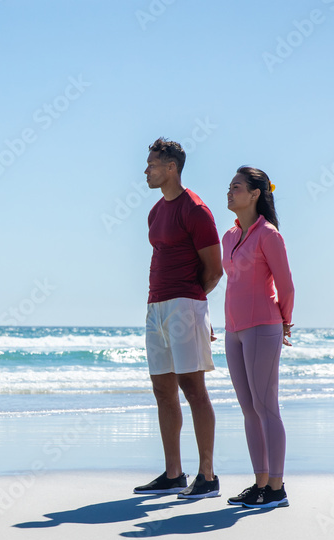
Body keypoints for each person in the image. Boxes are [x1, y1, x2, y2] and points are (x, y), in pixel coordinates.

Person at [133, 138, 223, 499]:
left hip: (185, 304)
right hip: (156, 307)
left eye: (152, 164)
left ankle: (207, 476)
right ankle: (173, 475)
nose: (146, 170)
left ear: (171, 168)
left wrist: (195, 308)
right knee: (162, 389)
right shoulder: (155, 212)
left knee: (192, 387)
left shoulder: (196, 209)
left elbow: (214, 271)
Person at [221, 167, 294, 509]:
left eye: (236, 187)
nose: (229, 192)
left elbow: (286, 285)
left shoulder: (269, 235)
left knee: (267, 407)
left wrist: (285, 322)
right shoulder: (229, 236)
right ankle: (260, 483)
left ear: (255, 194)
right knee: (249, 409)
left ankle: (276, 490)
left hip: (263, 326)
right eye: (230, 187)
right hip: (233, 331)